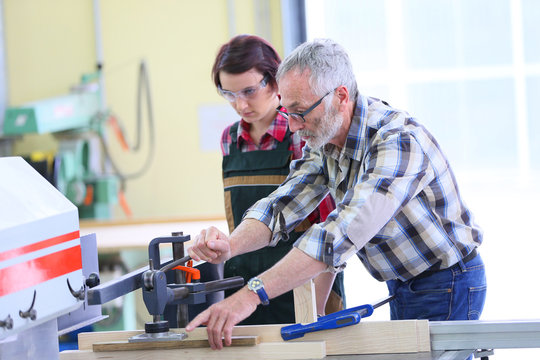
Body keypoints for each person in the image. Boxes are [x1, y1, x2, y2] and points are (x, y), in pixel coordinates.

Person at [187, 38, 486, 350]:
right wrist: (229, 246)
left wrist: (250, 295)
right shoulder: (326, 140)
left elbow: (340, 234)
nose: (292, 126)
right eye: (288, 112)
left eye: (300, 112)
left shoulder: (398, 142)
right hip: (402, 282)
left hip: (448, 281)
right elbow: (280, 207)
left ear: (341, 96)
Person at [210, 34, 345, 325]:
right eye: (229, 94)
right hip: (244, 282)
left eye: (248, 91)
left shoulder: (304, 132)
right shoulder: (230, 140)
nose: (240, 104)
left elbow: (328, 228)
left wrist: (316, 308)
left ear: (274, 81)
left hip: (305, 285)